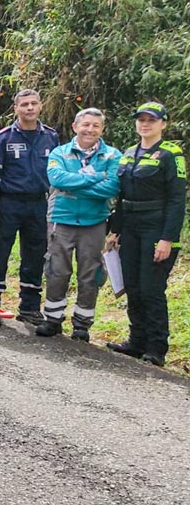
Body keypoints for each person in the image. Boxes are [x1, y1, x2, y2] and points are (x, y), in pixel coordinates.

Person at [106, 102, 186, 366]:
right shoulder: (129, 153)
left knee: (151, 288)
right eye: (141, 119)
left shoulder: (171, 154)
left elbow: (177, 200)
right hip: (130, 226)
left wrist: (167, 238)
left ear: (163, 123)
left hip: (156, 227)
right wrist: (115, 230)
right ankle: (136, 341)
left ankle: (156, 348)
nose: (145, 124)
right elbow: (122, 197)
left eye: (151, 120)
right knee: (132, 285)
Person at [36, 108, 120, 341]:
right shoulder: (59, 152)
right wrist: (97, 177)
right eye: (86, 124)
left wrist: (74, 186)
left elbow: (113, 187)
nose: (90, 129)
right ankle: (53, 319)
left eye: (95, 125)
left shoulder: (112, 155)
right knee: (57, 270)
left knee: (90, 273)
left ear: (102, 129)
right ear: (75, 127)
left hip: (95, 221)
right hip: (61, 218)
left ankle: (82, 324)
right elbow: (57, 179)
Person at [0, 89, 60, 327]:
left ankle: (29, 307)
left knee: (36, 255)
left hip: (38, 204)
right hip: (8, 204)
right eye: (24, 104)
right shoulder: (3, 137)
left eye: (34, 103)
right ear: (16, 109)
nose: (30, 108)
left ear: (41, 106)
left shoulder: (51, 137)